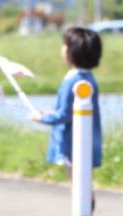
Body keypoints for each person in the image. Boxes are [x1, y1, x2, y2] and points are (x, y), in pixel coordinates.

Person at [32, 25, 103, 178]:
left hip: (73, 142)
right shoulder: (88, 78)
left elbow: (64, 115)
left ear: (73, 51)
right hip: (86, 140)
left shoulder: (73, 80)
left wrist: (42, 118)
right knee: (83, 184)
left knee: (78, 185)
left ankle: (86, 203)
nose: (63, 49)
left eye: (65, 45)